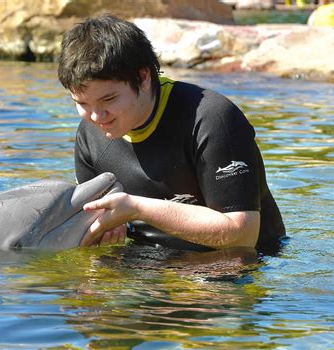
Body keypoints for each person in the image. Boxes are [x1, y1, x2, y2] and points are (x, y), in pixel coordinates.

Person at [57, 14, 286, 252]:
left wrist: (137, 209)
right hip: (147, 259)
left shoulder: (211, 118)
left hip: (230, 264)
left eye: (109, 98)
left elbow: (242, 235)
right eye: (82, 103)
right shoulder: (90, 133)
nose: (96, 116)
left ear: (143, 77)